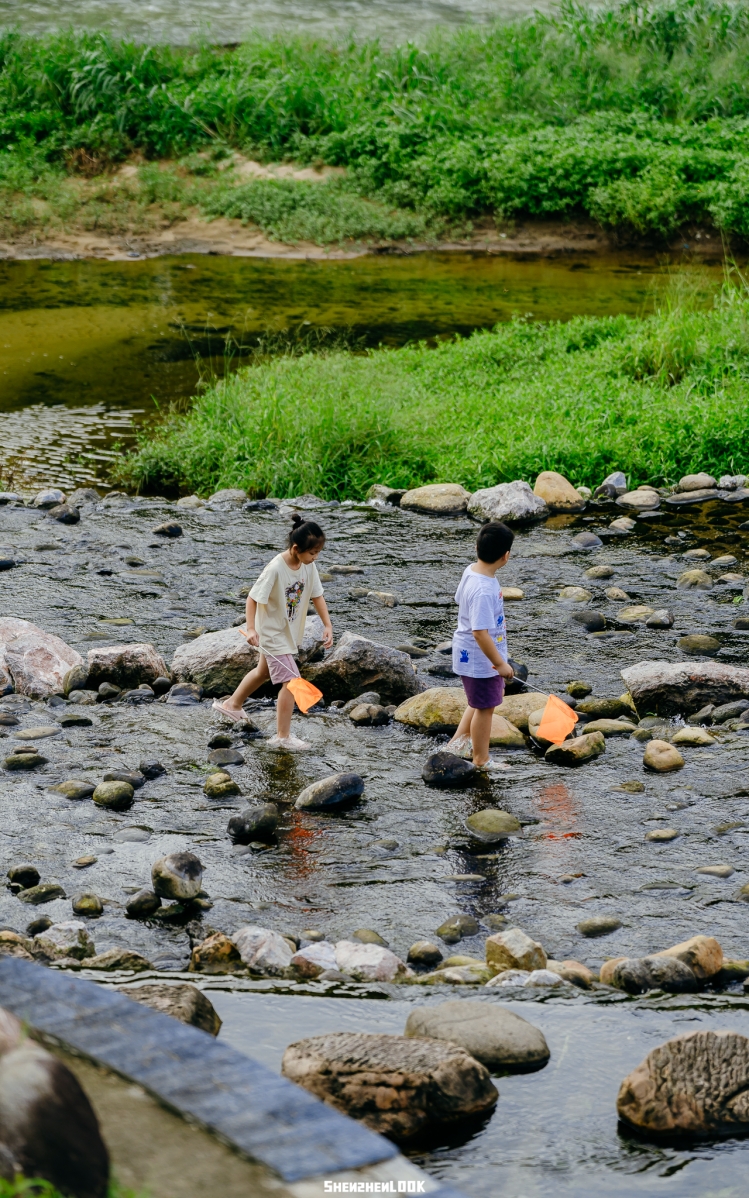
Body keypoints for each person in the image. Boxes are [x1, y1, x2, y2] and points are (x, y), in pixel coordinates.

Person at [213, 513, 333, 749]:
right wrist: (250, 629)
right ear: (296, 548)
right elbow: (252, 598)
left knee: (262, 672)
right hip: (272, 632)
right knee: (291, 680)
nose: (315, 557)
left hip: (287, 631)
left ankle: (232, 705)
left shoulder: (308, 566)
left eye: (318, 552)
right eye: (312, 553)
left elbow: (317, 595)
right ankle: (282, 737)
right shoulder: (276, 568)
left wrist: (327, 624)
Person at [447, 520, 515, 769]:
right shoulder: (483, 589)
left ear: (476, 547)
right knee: (485, 708)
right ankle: (481, 759)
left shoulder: (472, 571)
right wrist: (500, 664)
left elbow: (458, 599)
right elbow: (480, 633)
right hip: (481, 656)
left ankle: (457, 743)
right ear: (505, 556)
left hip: (471, 653)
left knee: (477, 702)